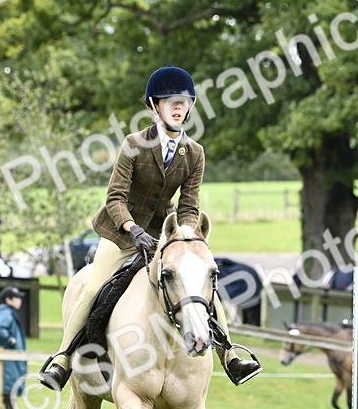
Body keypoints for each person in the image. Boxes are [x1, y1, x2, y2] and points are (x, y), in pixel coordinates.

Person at [37, 65, 262, 391]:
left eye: (183, 101)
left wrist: (186, 237)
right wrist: (132, 228)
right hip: (120, 231)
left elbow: (188, 205)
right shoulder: (134, 144)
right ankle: (61, 360)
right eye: (170, 100)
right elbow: (115, 198)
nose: (178, 106)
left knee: (200, 284)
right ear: (155, 105)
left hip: (163, 235)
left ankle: (229, 355)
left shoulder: (195, 153)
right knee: (92, 288)